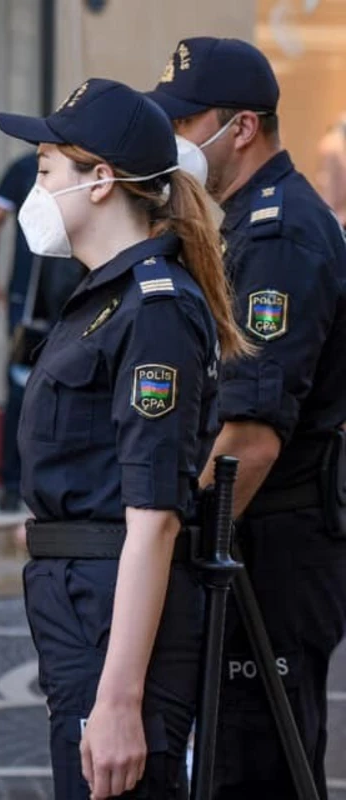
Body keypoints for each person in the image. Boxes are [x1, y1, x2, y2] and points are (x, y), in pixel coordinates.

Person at [0, 78, 251, 798]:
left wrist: (118, 703)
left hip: (110, 610)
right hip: (79, 600)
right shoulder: (102, 297)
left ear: (100, 180)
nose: (36, 192)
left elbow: (155, 518)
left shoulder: (153, 310)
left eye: (47, 171)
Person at [149, 37, 346, 798]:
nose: (175, 141)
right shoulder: (236, 219)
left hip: (273, 548)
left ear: (241, 128)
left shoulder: (277, 233)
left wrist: (179, 535)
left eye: (185, 121)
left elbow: (250, 440)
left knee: (256, 762)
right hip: (255, 537)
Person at [0, 154, 86, 511]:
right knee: (23, 390)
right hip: (29, 301)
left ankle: (56, 485)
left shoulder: (86, 165)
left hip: (74, 292)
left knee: (72, 389)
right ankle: (13, 482)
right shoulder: (23, 168)